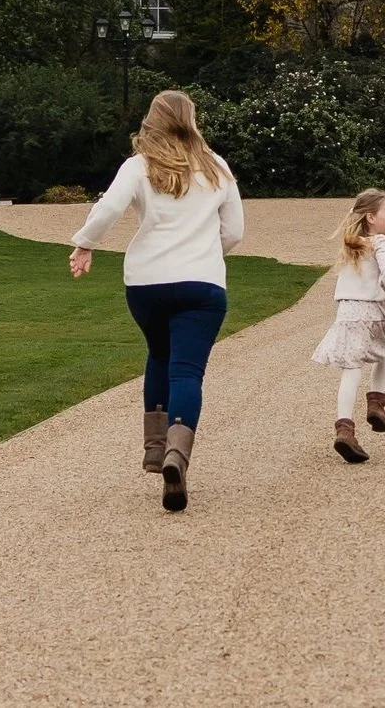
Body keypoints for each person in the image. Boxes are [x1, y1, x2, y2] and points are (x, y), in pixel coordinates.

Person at [66, 90, 243, 513]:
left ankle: (153, 448)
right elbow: (234, 231)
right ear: (191, 119)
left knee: (158, 354)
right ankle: (176, 456)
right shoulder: (216, 167)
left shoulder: (139, 165)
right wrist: (202, 251)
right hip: (201, 284)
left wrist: (85, 244)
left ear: (152, 120)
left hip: (146, 282)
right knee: (187, 370)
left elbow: (109, 208)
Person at [310, 188, 385, 464]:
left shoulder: (351, 244)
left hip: (348, 311)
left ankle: (345, 428)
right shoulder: (380, 243)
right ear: (371, 217)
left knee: (351, 368)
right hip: (371, 310)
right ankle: (376, 403)